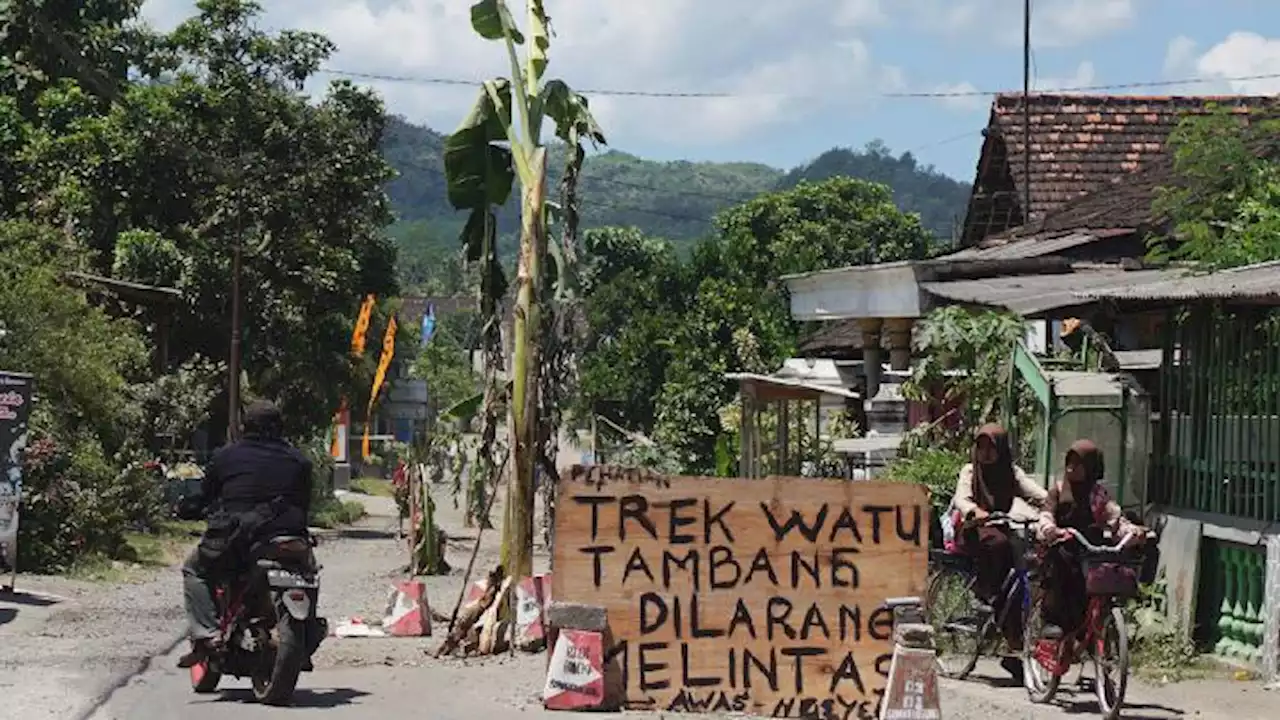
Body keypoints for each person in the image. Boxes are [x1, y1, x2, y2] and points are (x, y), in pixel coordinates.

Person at [177, 400, 314, 669]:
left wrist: (186, 508)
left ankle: (207, 634)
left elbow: (206, 496)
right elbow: (305, 503)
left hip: (239, 539)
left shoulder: (226, 456)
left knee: (195, 570)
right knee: (309, 574)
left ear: (244, 426)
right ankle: (307, 637)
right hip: (289, 537)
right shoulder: (300, 461)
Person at [951, 423, 1047, 677]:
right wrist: (975, 511)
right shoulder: (970, 471)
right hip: (975, 530)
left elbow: (1036, 493)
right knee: (1000, 546)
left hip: (1002, 527)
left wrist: (1052, 506)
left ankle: (1014, 646)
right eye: (980, 446)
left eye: (990, 447)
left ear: (1002, 450)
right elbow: (961, 499)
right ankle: (987, 592)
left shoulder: (1011, 473)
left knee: (1025, 571)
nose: (985, 453)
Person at [1036, 439, 1141, 640]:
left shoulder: (1098, 495)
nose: (1071, 468)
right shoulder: (1058, 490)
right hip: (1063, 543)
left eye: (1078, 464)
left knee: (1110, 565)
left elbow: (1114, 517)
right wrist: (1051, 529)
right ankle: (1053, 621)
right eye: (1069, 462)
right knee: (1063, 564)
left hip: (1089, 547)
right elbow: (1046, 513)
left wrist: (1133, 532)